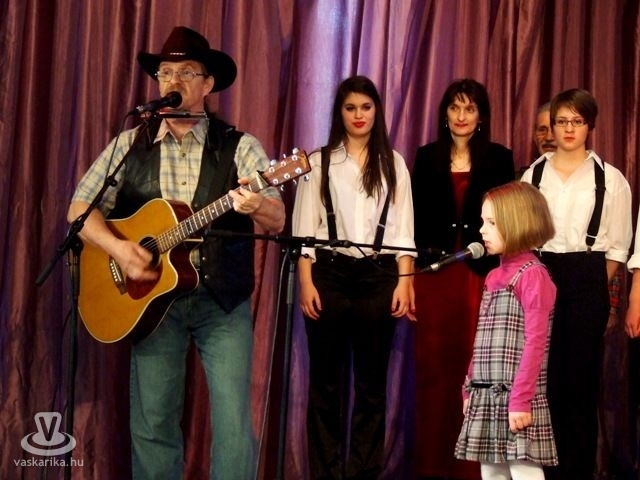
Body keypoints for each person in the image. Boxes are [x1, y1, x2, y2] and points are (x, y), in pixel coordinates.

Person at [67, 26, 285, 479]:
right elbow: (79, 210)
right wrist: (120, 249)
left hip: (221, 301)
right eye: (166, 72)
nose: (173, 80)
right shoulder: (130, 144)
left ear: (208, 84)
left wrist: (256, 205)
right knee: (153, 424)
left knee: (233, 426)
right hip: (152, 305)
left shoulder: (240, 146)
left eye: (186, 72)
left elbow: (278, 219)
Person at [291, 75, 416, 479]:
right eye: (350, 108)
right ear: (339, 113)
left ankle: (364, 472)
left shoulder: (393, 163)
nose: (359, 115)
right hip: (328, 272)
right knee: (325, 384)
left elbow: (403, 232)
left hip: (379, 275)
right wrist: (306, 282)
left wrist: (405, 281)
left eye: (366, 107)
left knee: (371, 385)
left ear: (376, 110)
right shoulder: (319, 161)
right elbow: (304, 231)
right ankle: (325, 473)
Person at [520, 88, 632, 480]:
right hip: (541, 275)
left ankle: (577, 472)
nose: (569, 129)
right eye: (562, 121)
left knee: (581, 386)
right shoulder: (533, 175)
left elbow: (618, 248)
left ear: (589, 126)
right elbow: (522, 239)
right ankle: (544, 473)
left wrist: (593, 288)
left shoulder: (610, 179)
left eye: (577, 121)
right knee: (543, 384)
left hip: (588, 279)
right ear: (551, 126)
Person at [410, 78, 514, 479]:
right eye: (455, 108)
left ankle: (474, 471)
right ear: (444, 114)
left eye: (469, 109)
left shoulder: (500, 159)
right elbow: (413, 223)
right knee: (434, 373)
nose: (461, 116)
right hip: (435, 278)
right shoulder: (425, 157)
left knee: (478, 370)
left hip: (480, 277)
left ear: (481, 115)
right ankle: (432, 467)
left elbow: (509, 223)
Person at [455, 181, 558, 480]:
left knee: (524, 469)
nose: (482, 231)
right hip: (486, 393)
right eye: (482, 222)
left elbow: (536, 343)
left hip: (516, 396)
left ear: (517, 223)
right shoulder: (492, 277)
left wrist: (521, 399)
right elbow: (483, 338)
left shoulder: (533, 275)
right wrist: (469, 385)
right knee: (491, 471)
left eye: (491, 223)